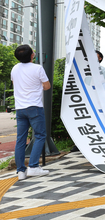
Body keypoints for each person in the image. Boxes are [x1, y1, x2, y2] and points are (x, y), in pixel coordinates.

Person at [12, 44, 50, 180]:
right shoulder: (38, 68)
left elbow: (15, 83)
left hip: (20, 108)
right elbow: (47, 86)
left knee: (20, 139)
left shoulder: (15, 68)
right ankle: (33, 167)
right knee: (40, 135)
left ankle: (21, 171)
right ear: (32, 55)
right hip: (34, 106)